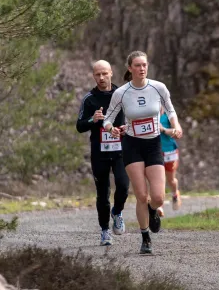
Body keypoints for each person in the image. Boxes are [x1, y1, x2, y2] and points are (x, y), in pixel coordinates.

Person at [103, 51, 183, 254]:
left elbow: (170, 109)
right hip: (132, 145)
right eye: (137, 65)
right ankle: (145, 237)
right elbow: (108, 118)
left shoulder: (158, 88)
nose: (142, 68)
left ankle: (153, 210)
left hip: (154, 144)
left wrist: (176, 126)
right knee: (141, 194)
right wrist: (111, 128)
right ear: (130, 68)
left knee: (156, 197)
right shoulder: (121, 93)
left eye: (144, 65)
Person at [76, 60, 130, 246]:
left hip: (121, 150)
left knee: (123, 185)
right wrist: (93, 119)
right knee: (102, 193)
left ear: (111, 73)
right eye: (97, 74)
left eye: (104, 73)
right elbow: (79, 126)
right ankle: (105, 231)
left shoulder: (122, 94)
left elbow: (133, 117)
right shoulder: (89, 99)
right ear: (93, 76)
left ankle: (117, 212)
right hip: (99, 152)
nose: (101, 78)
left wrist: (125, 128)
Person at [159, 108, 182, 211]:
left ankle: (175, 194)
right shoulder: (148, 114)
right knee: (158, 179)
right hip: (155, 152)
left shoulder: (168, 115)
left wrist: (163, 129)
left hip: (169, 151)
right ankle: (159, 205)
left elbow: (178, 133)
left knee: (171, 180)